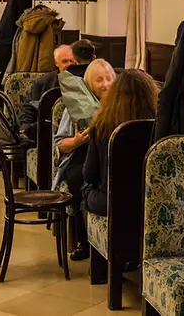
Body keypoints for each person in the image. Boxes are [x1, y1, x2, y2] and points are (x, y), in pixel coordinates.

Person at [54, 57, 115, 261]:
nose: (105, 84)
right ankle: (83, 241)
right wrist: (77, 140)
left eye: (109, 78)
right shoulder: (75, 106)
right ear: (89, 83)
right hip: (81, 157)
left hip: (109, 160)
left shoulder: (121, 104)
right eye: (99, 80)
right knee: (80, 180)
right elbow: (60, 144)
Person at [83, 69, 158, 216]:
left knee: (84, 187)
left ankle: (81, 237)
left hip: (112, 201)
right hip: (149, 200)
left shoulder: (102, 125)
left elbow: (90, 174)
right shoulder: (160, 125)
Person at [17, 45, 75, 143]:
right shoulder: (43, 82)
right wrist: (26, 127)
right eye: (65, 61)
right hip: (44, 131)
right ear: (57, 63)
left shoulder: (82, 81)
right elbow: (28, 107)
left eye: (72, 61)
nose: (69, 64)